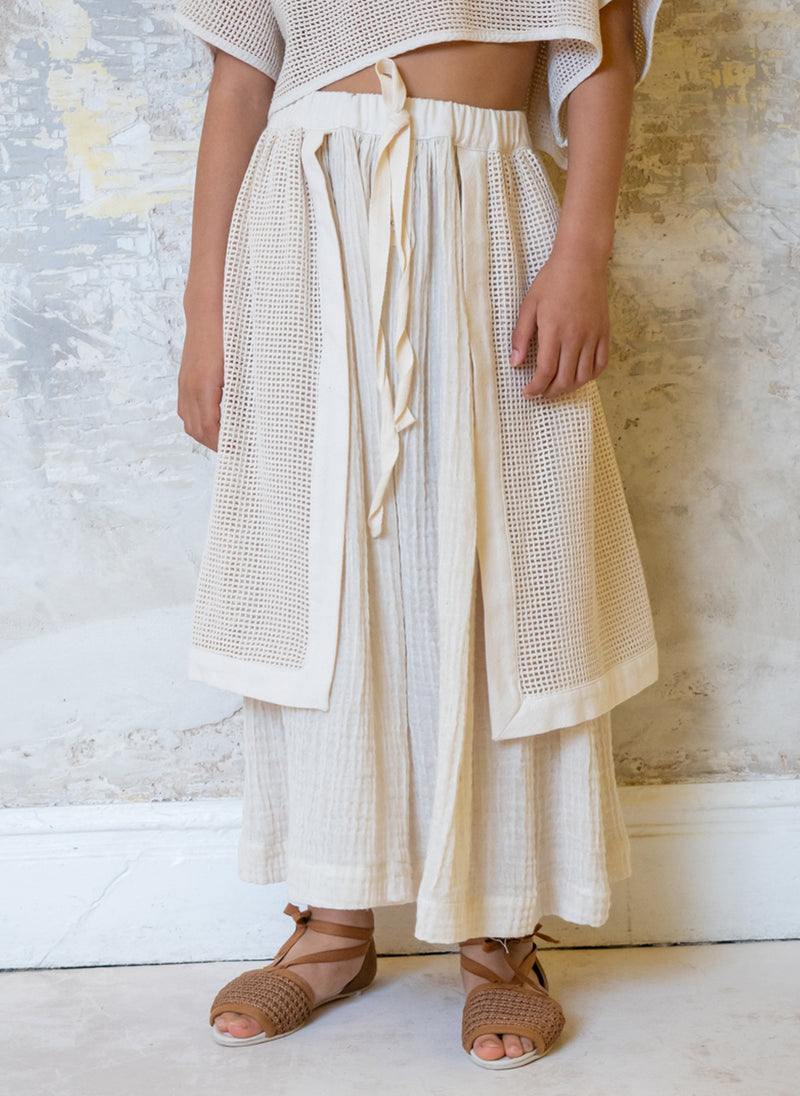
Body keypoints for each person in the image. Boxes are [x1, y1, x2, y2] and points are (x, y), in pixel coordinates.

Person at [176, 0, 661, 1070]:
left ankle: (499, 937)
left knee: (504, 572)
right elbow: (240, 83)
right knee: (323, 574)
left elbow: (602, 52)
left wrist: (581, 256)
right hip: (302, 223)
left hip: (489, 208)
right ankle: (333, 924)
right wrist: (206, 312)